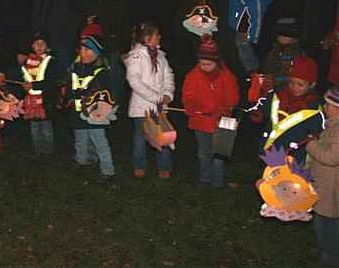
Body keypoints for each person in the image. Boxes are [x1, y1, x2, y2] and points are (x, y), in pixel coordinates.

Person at [182, 34, 239, 187]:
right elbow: (188, 96)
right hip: (200, 121)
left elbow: (232, 97)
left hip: (222, 121)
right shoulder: (193, 76)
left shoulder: (226, 76)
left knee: (220, 154)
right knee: (203, 152)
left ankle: (218, 182)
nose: (205, 67)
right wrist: (191, 107)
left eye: (209, 64)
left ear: (217, 62)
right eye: (202, 64)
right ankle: (205, 178)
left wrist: (225, 107)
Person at [249, 56, 324, 165]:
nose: (295, 88)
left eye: (300, 85)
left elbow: (317, 134)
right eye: (291, 83)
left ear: (312, 84)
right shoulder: (278, 95)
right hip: (271, 152)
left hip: (294, 158)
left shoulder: (315, 109)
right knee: (267, 180)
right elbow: (261, 108)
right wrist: (257, 114)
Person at [124, 22, 175, 178]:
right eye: (156, 35)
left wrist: (167, 94)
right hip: (142, 107)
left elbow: (168, 76)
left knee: (164, 135)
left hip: (159, 107)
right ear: (147, 38)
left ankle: (164, 167)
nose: (159, 37)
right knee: (141, 138)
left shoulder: (161, 56)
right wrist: (156, 98)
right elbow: (134, 81)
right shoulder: (135, 56)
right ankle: (139, 165)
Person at [64, 35, 117, 185]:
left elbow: (105, 94)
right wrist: (67, 96)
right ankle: (81, 161)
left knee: (100, 143)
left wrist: (88, 96)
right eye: (81, 49)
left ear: (96, 53)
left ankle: (108, 171)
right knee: (80, 139)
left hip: (95, 114)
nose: (83, 52)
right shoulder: (74, 68)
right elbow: (69, 87)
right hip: (76, 112)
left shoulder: (102, 72)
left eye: (88, 50)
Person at [80, 0, 130, 112]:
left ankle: (117, 107)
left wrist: (125, 48)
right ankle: (96, 107)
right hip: (93, 48)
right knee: (95, 78)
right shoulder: (88, 1)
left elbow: (123, 24)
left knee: (113, 76)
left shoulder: (115, 0)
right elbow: (80, 23)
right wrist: (87, 22)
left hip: (111, 46)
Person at [306, 86, 339, 267]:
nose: (324, 108)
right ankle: (325, 248)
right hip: (325, 183)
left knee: (328, 222)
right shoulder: (333, 124)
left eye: (328, 105)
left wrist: (312, 145)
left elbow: (332, 157)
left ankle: (331, 256)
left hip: (331, 187)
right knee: (322, 218)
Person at [31, 0, 77, 78]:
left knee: (62, 76)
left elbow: (74, 17)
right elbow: (36, 15)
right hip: (44, 43)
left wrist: (70, 39)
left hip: (63, 43)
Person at [20, 31, 59, 157]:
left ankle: (48, 152)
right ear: (32, 46)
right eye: (36, 43)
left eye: (42, 43)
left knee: (46, 128)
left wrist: (34, 85)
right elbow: (24, 78)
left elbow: (51, 82)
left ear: (47, 47)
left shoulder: (51, 61)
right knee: (34, 129)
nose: (39, 46)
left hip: (46, 101)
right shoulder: (27, 62)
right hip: (31, 102)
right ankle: (38, 151)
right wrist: (24, 86)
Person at [227, 0, 273, 76]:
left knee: (247, 54)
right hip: (237, 29)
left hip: (249, 33)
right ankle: (248, 73)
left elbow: (257, 20)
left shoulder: (255, 0)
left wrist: (253, 38)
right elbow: (234, 10)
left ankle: (253, 73)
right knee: (240, 53)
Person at [264, 17, 305, 88]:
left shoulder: (296, 53)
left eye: (285, 35)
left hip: (288, 88)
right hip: (273, 87)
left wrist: (275, 80)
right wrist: (268, 75)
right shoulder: (275, 49)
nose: (281, 37)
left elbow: (295, 76)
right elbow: (269, 65)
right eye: (279, 35)